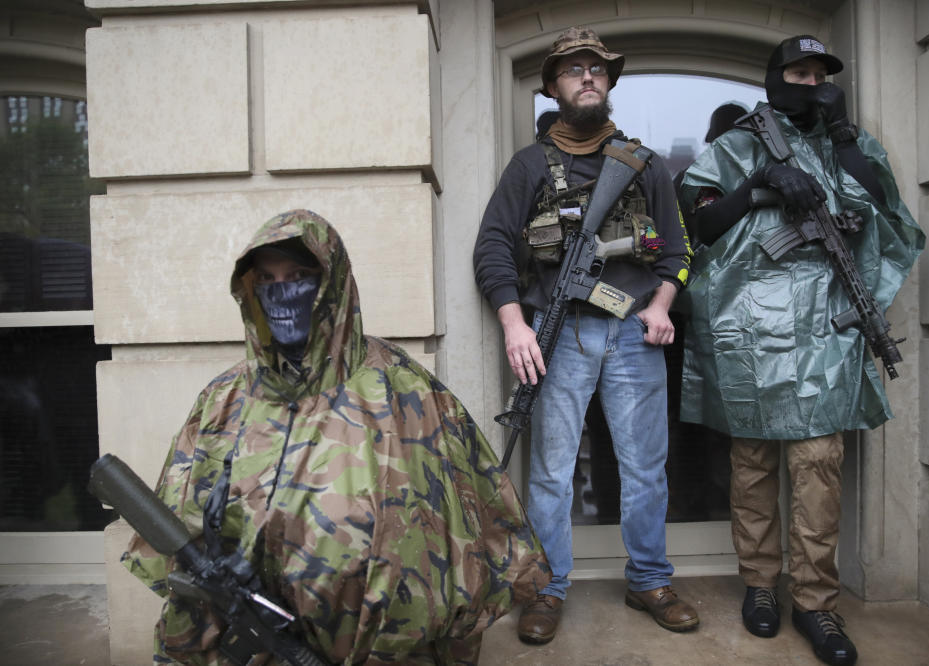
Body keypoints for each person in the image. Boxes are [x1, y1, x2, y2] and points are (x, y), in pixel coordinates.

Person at [121, 209, 550, 665]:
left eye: (300, 275)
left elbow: (465, 551)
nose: (282, 291)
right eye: (266, 279)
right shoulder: (224, 403)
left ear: (332, 283)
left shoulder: (406, 393)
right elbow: (178, 544)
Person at [680, 36, 924, 666]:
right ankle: (761, 586)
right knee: (753, 464)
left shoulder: (853, 145)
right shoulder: (737, 144)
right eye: (799, 72)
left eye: (821, 75)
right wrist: (760, 179)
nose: (812, 83)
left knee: (818, 465)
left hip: (827, 328)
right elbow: (699, 224)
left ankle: (816, 602)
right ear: (775, 79)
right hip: (751, 329)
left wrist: (842, 137)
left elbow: (890, 215)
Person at [473, 26, 697, 644]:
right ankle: (546, 587)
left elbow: (677, 252)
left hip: (631, 333)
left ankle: (649, 578)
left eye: (596, 68)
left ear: (610, 80)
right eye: (573, 70)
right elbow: (492, 244)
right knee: (550, 473)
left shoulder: (643, 164)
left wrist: (663, 304)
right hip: (559, 333)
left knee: (645, 468)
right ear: (552, 87)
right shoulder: (529, 166)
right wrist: (514, 322)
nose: (587, 77)